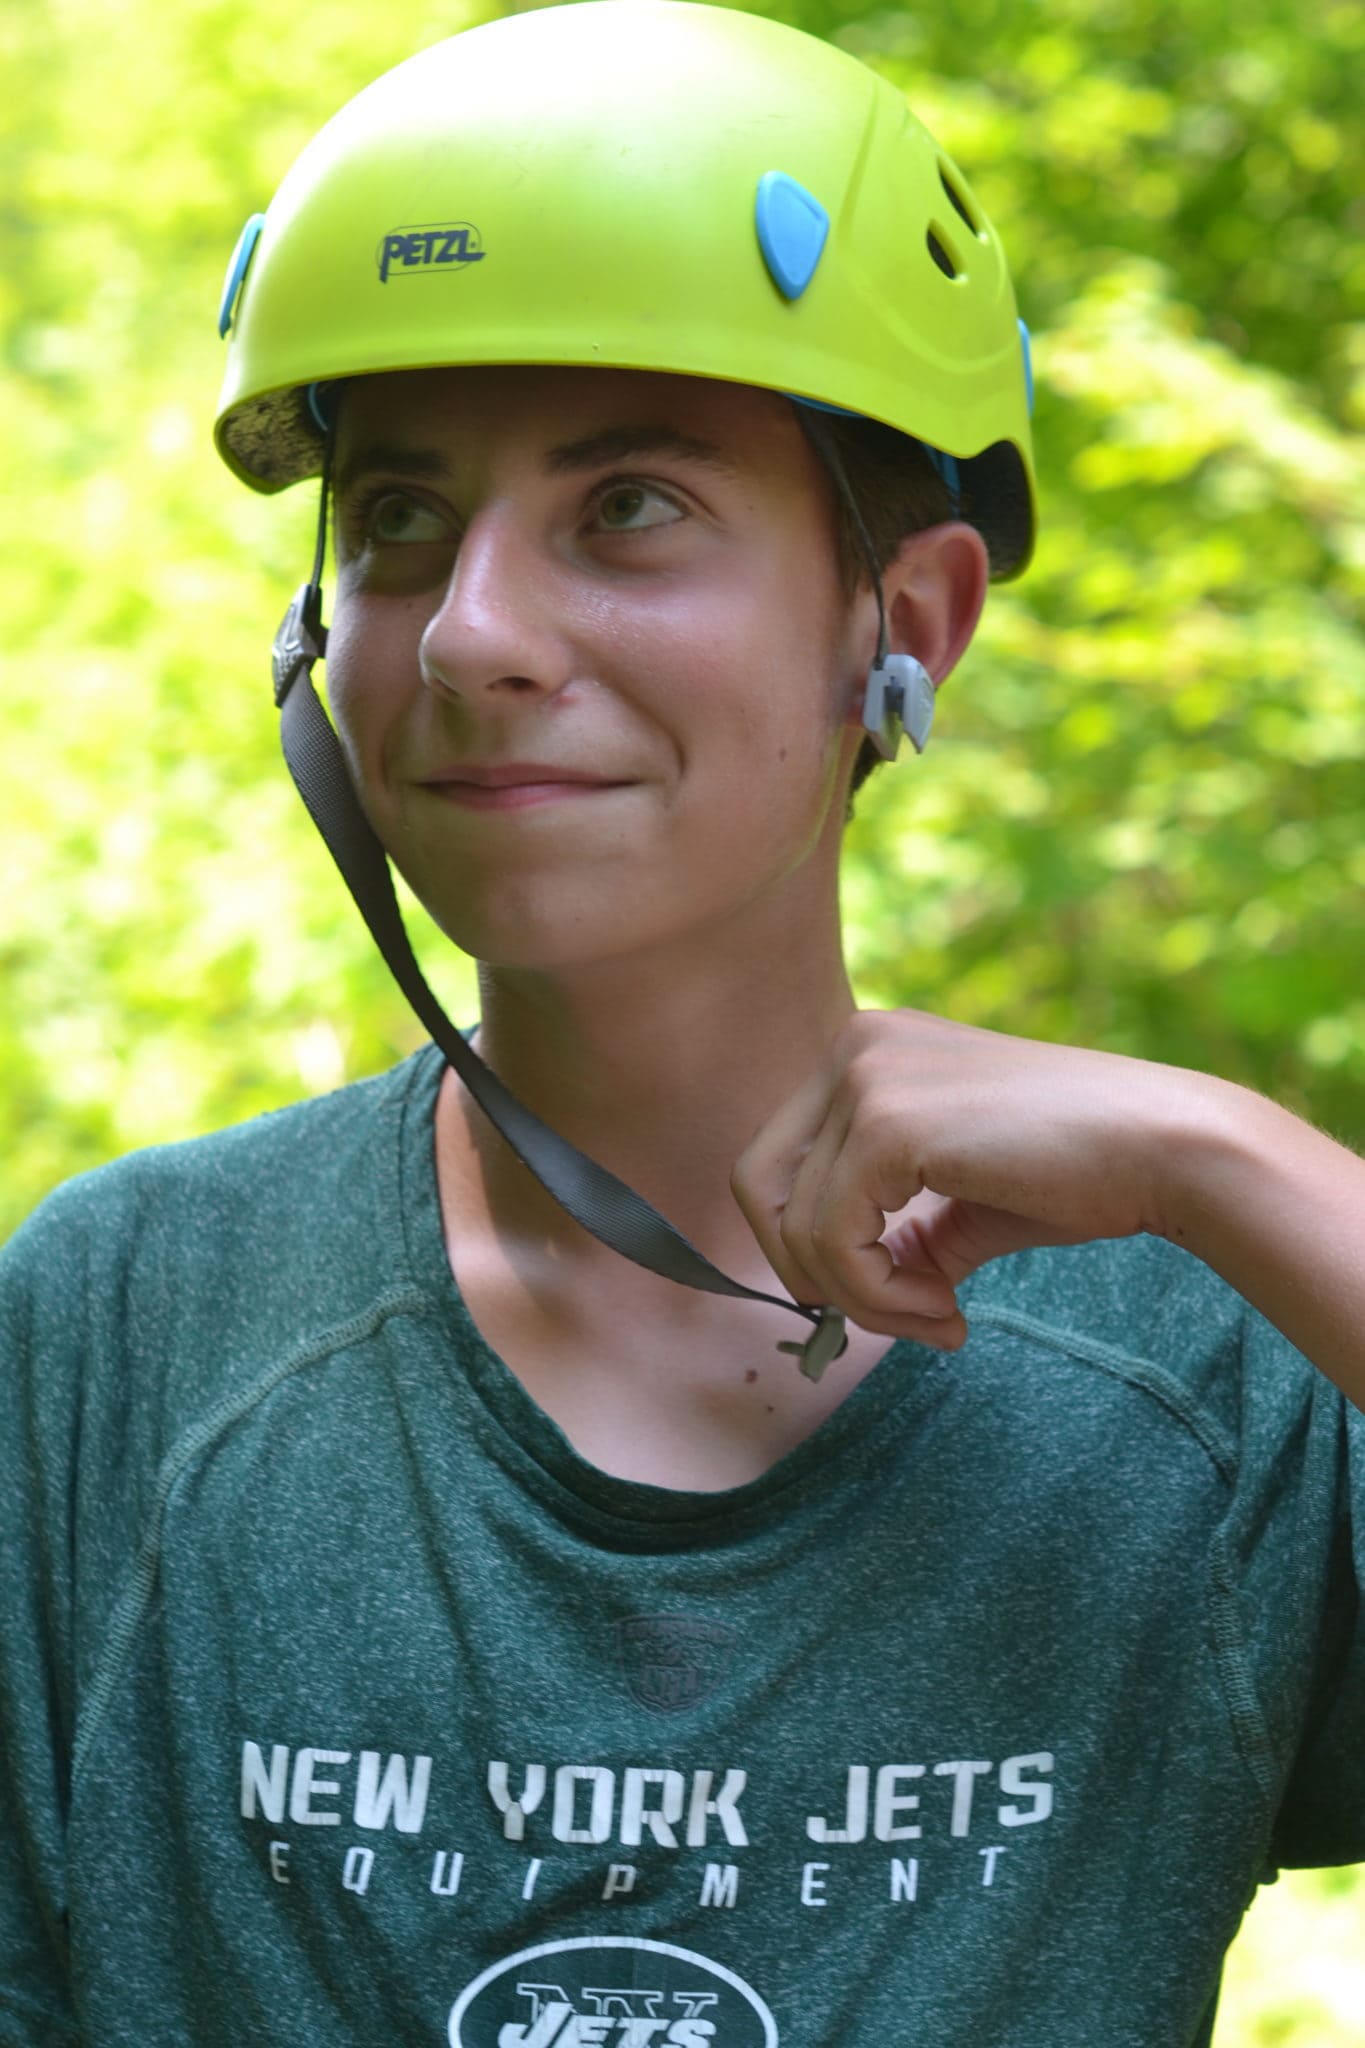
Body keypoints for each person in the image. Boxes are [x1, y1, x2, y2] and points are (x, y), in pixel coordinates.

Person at [2, 4, 1362, 2043]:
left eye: (628, 503)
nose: (470, 632)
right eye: (394, 519)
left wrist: (1224, 1157)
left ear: (904, 626)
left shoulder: (1204, 1351)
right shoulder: (122, 1326)